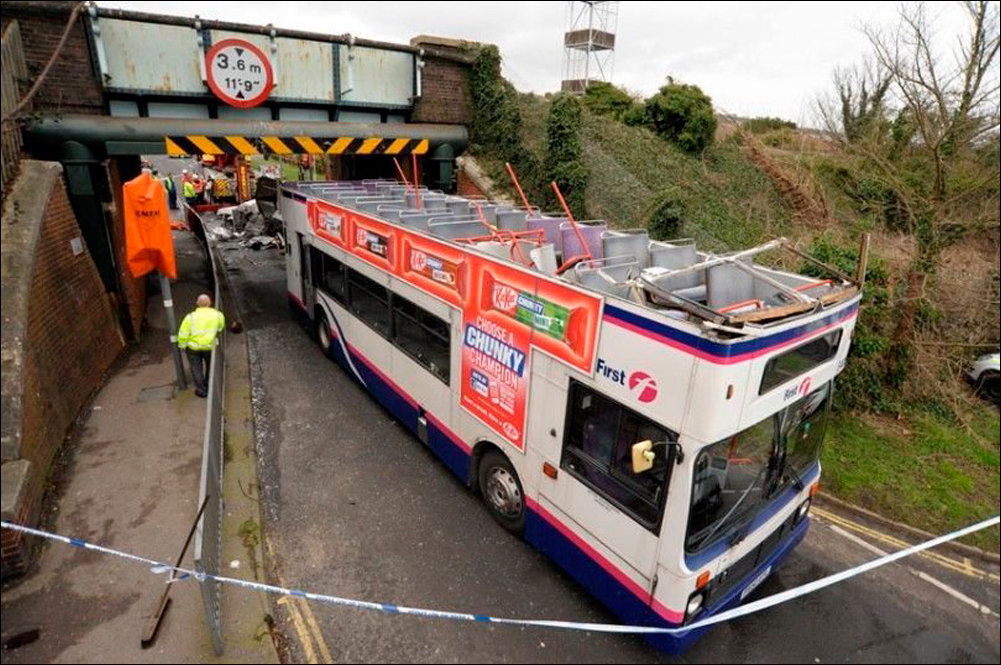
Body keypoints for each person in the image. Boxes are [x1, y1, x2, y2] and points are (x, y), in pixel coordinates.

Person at [177, 294, 225, 397]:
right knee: (210, 366)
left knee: (196, 369)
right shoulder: (217, 315)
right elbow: (220, 327)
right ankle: (209, 385)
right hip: (209, 347)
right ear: (210, 303)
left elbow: (183, 333)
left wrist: (182, 346)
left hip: (193, 348)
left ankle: (201, 390)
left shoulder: (190, 317)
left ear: (197, 304)